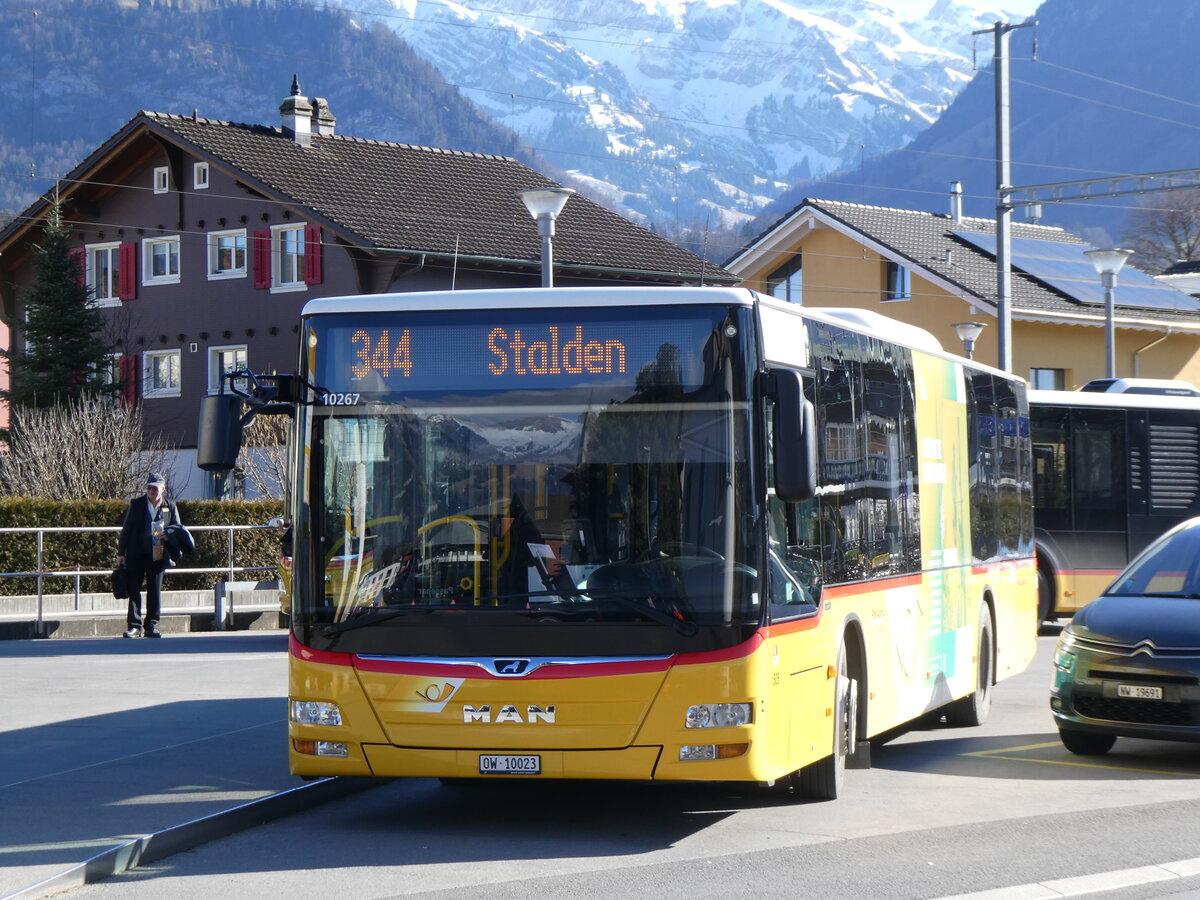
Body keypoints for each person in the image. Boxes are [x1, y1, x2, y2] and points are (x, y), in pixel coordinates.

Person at [116, 472, 179, 638]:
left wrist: (168, 536)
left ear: (163, 489)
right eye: (149, 488)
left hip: (158, 554)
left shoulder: (169, 506)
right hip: (136, 553)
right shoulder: (136, 504)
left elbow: (177, 529)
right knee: (134, 589)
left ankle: (152, 625)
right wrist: (121, 553)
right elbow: (126, 529)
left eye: (155, 488)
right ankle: (134, 626)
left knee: (154, 591)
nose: (151, 491)